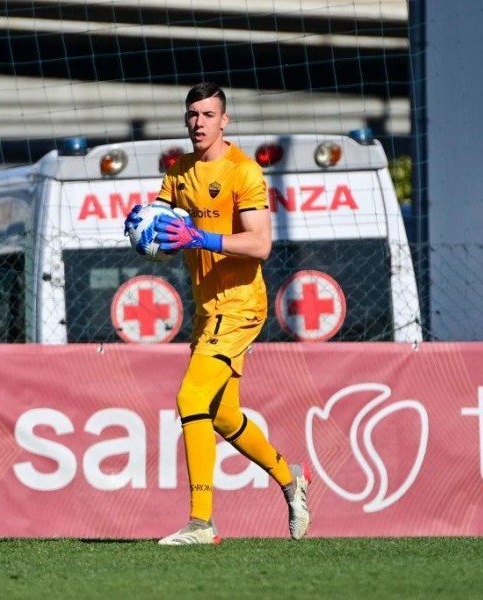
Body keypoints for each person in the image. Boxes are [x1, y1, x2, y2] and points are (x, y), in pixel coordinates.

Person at [124, 82, 311, 545]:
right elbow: (162, 224)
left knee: (190, 399)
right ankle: (291, 480)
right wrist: (140, 224)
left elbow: (261, 245)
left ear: (225, 121)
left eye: (208, 115)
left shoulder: (244, 172)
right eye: (192, 115)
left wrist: (201, 239)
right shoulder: (180, 171)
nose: (199, 123)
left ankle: (201, 522)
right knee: (223, 415)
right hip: (208, 310)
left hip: (242, 304)